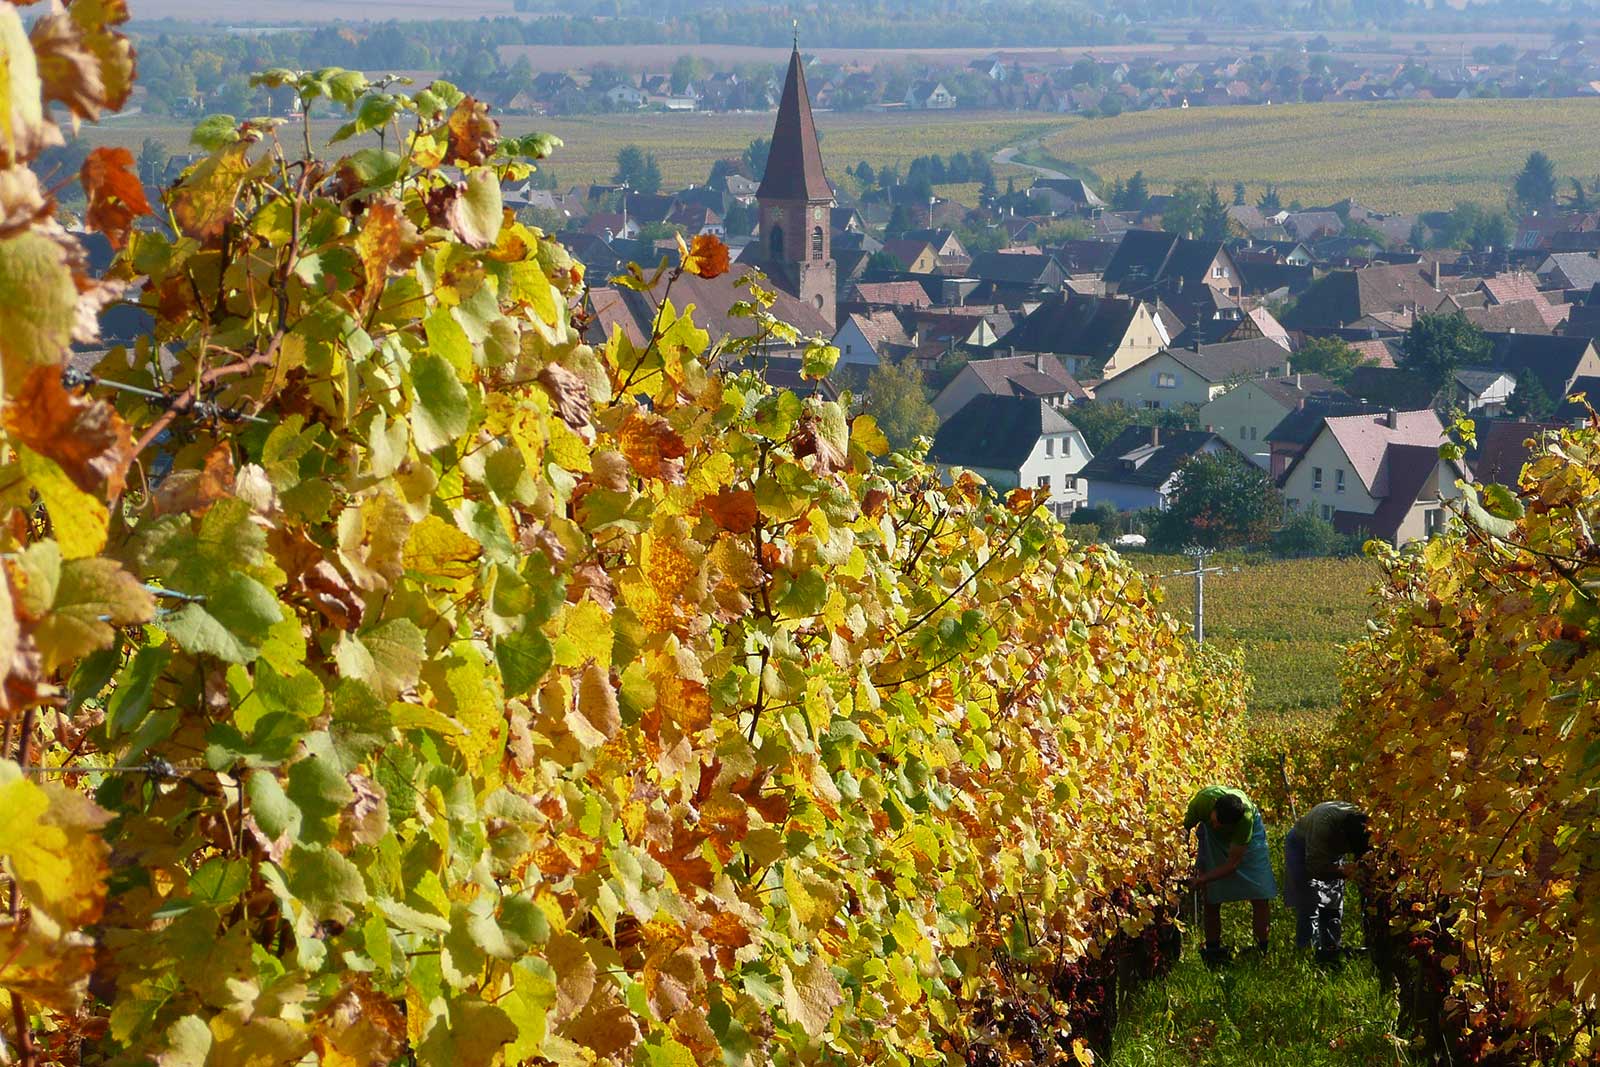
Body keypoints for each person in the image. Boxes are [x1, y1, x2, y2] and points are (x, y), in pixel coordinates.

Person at [1182, 785, 1277, 965]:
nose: (1217, 826)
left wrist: (1202, 878)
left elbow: (1232, 864)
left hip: (1243, 843)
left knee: (1260, 893)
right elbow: (1184, 830)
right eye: (1215, 821)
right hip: (1212, 839)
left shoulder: (1245, 820)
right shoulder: (1201, 802)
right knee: (1211, 896)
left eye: (1222, 825)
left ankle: (1261, 950)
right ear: (1214, 808)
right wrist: (1183, 859)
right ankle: (1213, 951)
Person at [1284, 801, 1371, 965]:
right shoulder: (1323, 825)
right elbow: (1314, 868)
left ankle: (1331, 954)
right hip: (1300, 846)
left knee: (1333, 903)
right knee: (1309, 902)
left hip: (1332, 851)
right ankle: (1307, 957)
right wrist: (1344, 871)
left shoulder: (1364, 825)